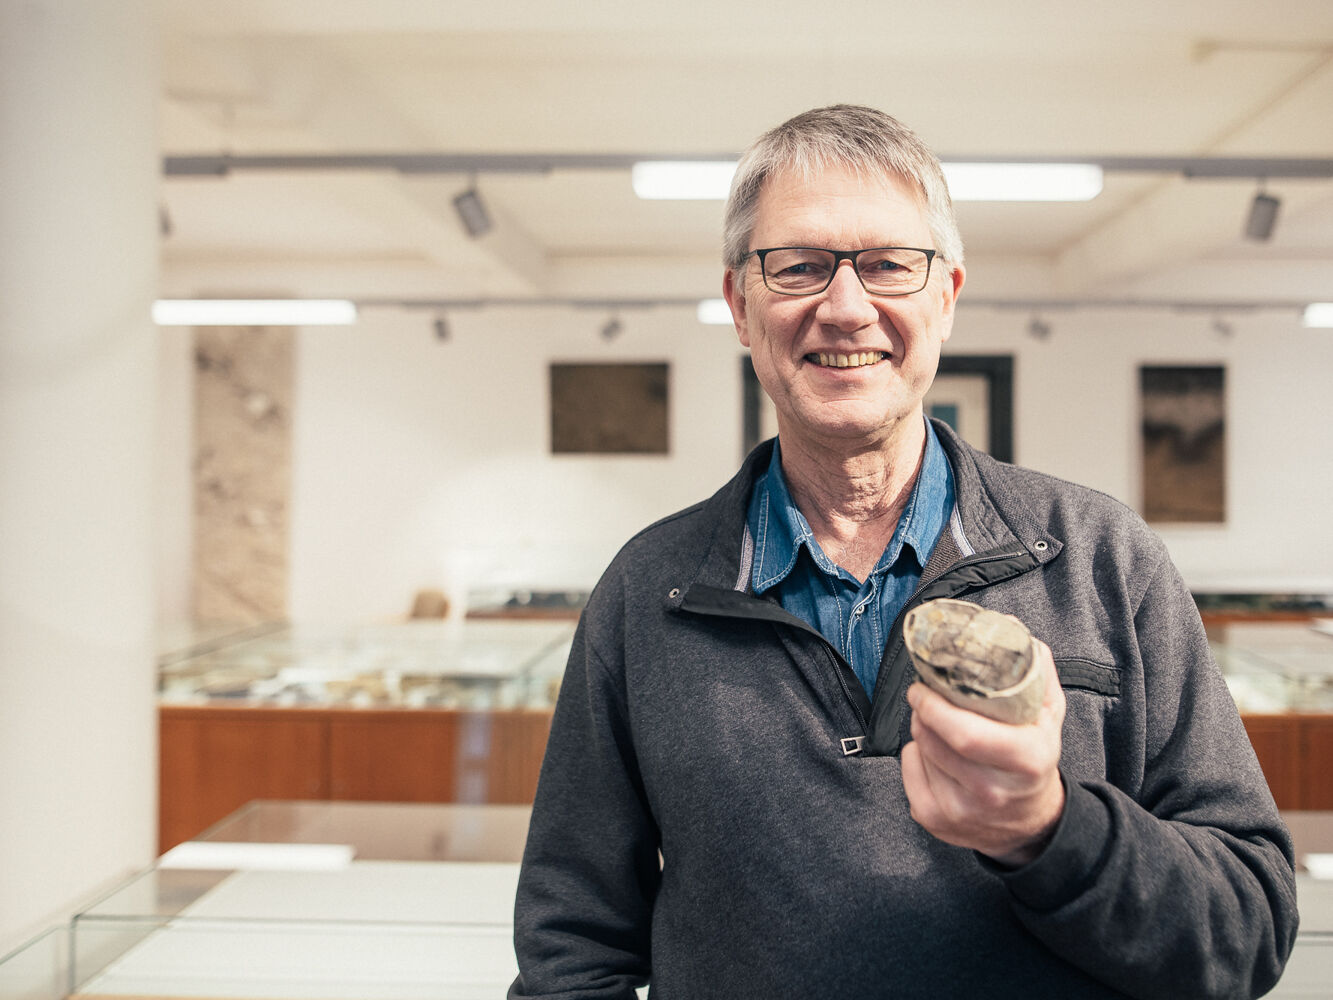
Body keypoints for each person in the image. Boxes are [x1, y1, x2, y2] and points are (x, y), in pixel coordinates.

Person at [509, 105, 1298, 999]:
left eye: (888, 265)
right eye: (798, 266)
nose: (845, 308)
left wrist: (1046, 829)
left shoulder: (1104, 559)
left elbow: (1246, 930)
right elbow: (571, 946)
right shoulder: (648, 589)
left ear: (946, 295)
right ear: (739, 304)